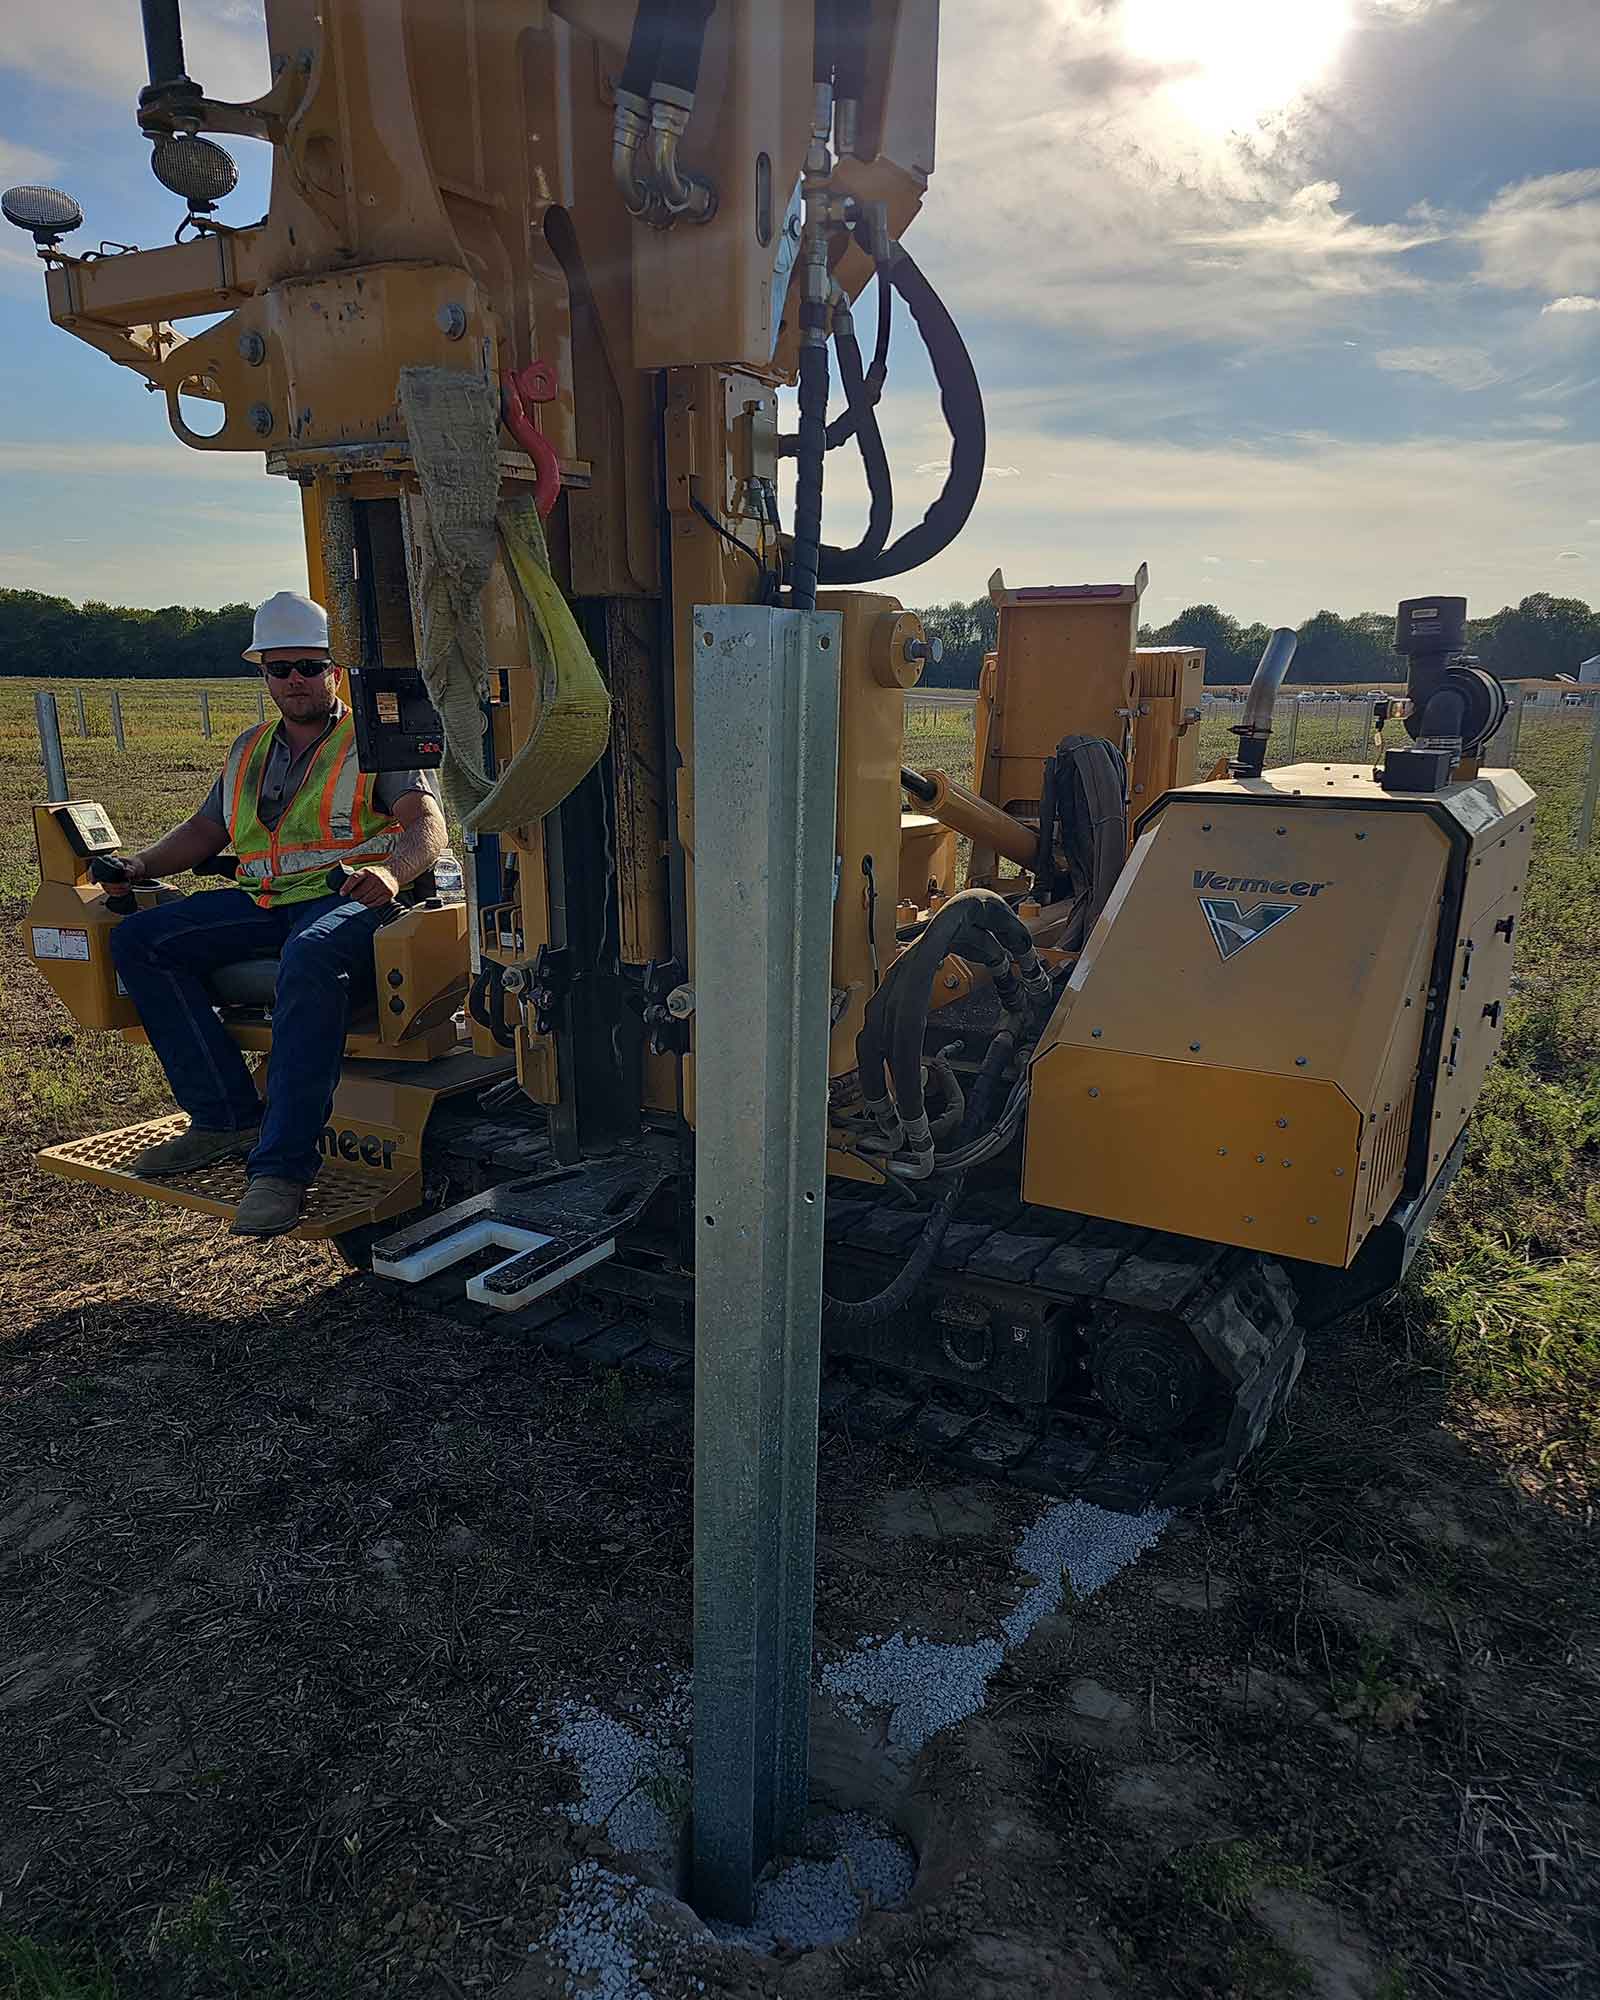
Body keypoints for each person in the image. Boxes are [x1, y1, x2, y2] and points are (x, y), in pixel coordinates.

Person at [107, 590, 449, 1239]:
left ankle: (283, 1169)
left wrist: (390, 871)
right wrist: (140, 867)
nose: (295, 680)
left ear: (335, 670)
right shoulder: (249, 748)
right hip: (268, 902)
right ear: (263, 672)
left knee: (310, 955)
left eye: (310, 666)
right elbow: (207, 828)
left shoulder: (375, 738)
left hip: (352, 899)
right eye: (280, 668)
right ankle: (223, 1118)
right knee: (141, 939)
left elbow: (427, 825)